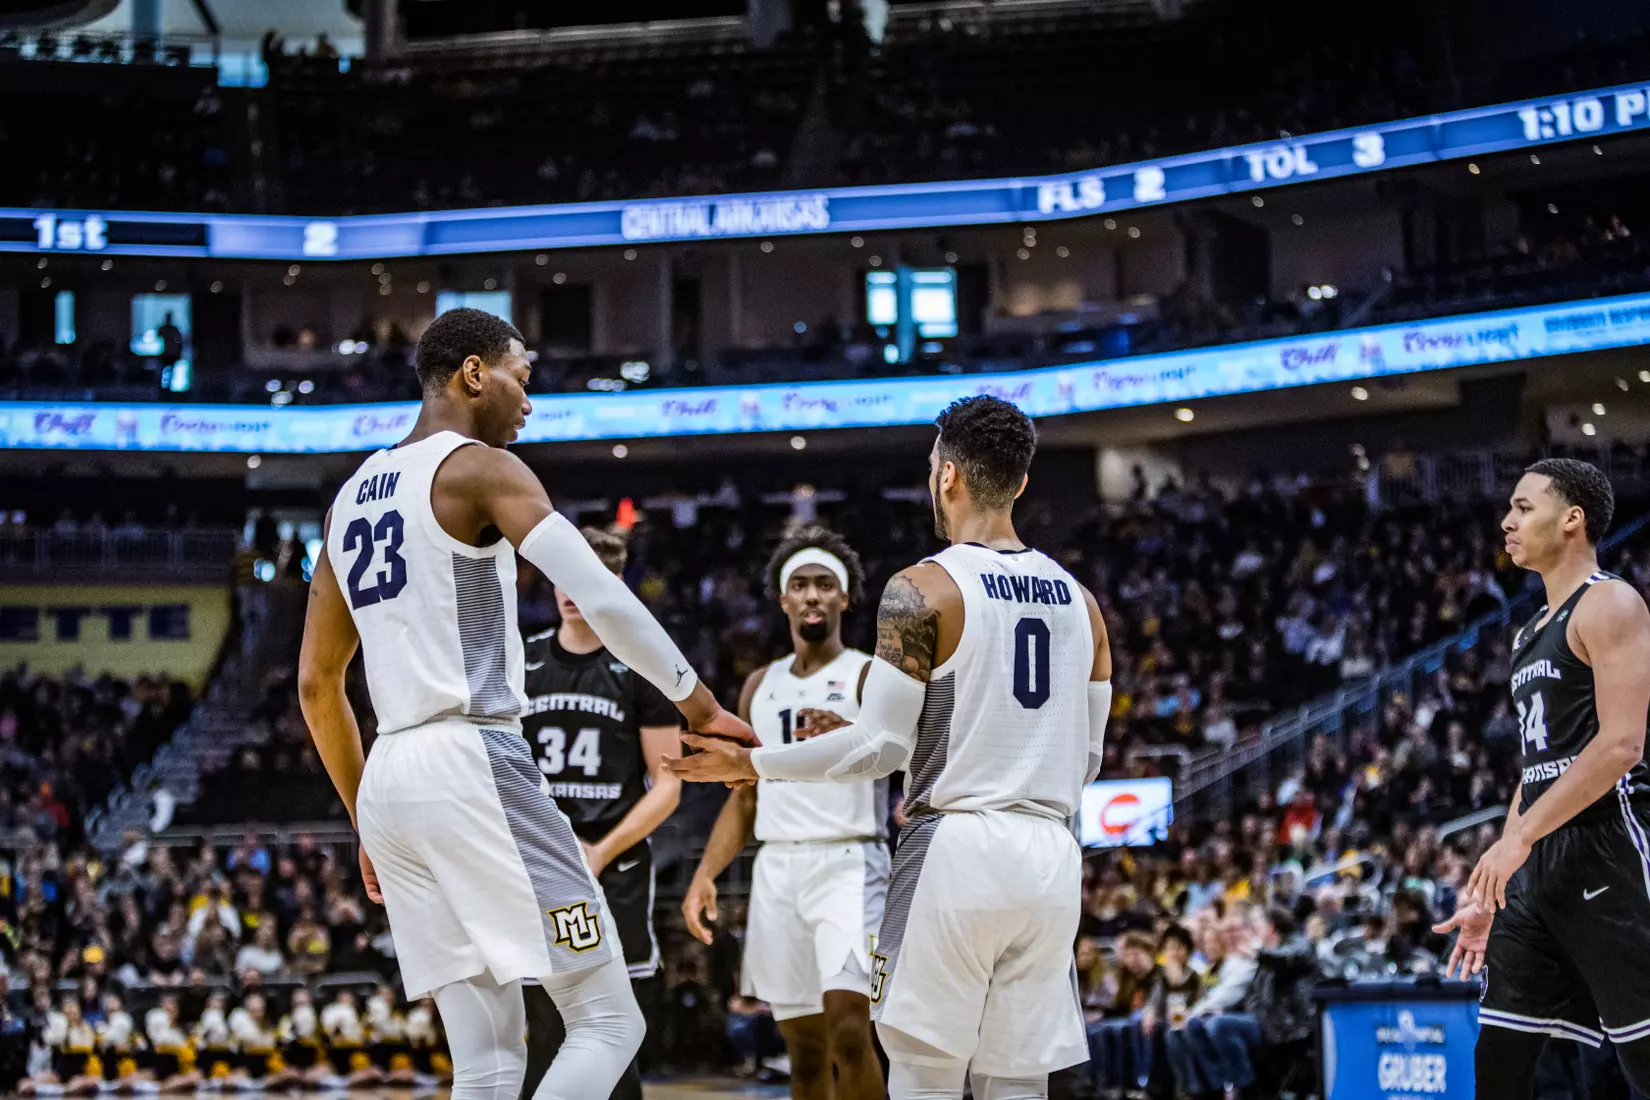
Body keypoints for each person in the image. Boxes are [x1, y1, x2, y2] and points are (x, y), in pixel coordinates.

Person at [297, 307, 753, 1100]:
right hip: (473, 758)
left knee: (489, 1059)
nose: (529, 400)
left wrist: (364, 816)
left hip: (393, 781)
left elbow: (316, 684)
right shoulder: (479, 469)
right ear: (474, 373)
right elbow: (596, 594)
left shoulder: (346, 502)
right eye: (523, 375)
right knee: (610, 1020)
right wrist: (701, 704)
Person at [671, 395, 1113, 1100]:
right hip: (1053, 856)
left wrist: (751, 761)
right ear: (1021, 482)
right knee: (1019, 1081)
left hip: (958, 847)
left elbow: (878, 747)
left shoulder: (923, 588)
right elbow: (1088, 758)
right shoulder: (1082, 602)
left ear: (946, 477)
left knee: (924, 1075)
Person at [1433, 459, 1650, 1098]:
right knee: (1499, 1062)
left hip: (1607, 846)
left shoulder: (1609, 601)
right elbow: (1535, 771)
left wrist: (1519, 841)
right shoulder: (1529, 632)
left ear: (1573, 519)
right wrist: (1496, 880)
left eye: (1524, 507)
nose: (1507, 521)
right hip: (1538, 867)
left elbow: (1620, 746)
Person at [681, 526, 886, 1100]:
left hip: (851, 860)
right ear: (783, 599)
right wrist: (705, 874)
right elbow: (744, 796)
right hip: (778, 870)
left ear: (845, 598)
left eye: (825, 584)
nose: (813, 595)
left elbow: (908, 756)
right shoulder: (757, 686)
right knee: (803, 1053)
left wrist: (856, 736)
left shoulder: (870, 675)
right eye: (801, 585)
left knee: (851, 1032)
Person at [518, 526, 686, 1100]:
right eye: (563, 577)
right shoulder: (522, 660)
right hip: (537, 864)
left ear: (613, 585)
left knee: (614, 1033)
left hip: (611, 866)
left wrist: (598, 852)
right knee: (541, 1029)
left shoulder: (640, 667)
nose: (572, 591)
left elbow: (668, 785)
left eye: (588, 579)